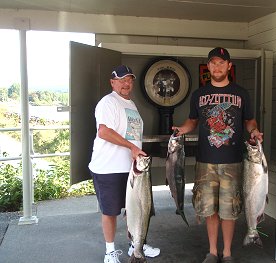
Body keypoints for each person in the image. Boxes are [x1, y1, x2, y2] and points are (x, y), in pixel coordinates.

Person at [173, 47, 263, 263]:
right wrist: (182, 130)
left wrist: (254, 131)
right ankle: (213, 252)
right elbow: (193, 120)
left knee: (229, 209)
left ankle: (228, 253)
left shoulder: (241, 93)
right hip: (206, 162)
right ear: (208, 66)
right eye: (213, 63)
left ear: (229, 66)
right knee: (210, 210)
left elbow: (249, 120)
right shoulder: (199, 94)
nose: (217, 67)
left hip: (233, 161)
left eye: (221, 63)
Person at [88, 65, 160, 263]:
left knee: (135, 209)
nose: (126, 83)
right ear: (113, 82)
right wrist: (132, 148)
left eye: (129, 80)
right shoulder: (108, 102)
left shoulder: (131, 104)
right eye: (121, 80)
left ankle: (136, 244)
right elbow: (103, 131)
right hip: (108, 168)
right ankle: (109, 252)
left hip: (130, 169)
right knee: (110, 211)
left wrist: (135, 151)